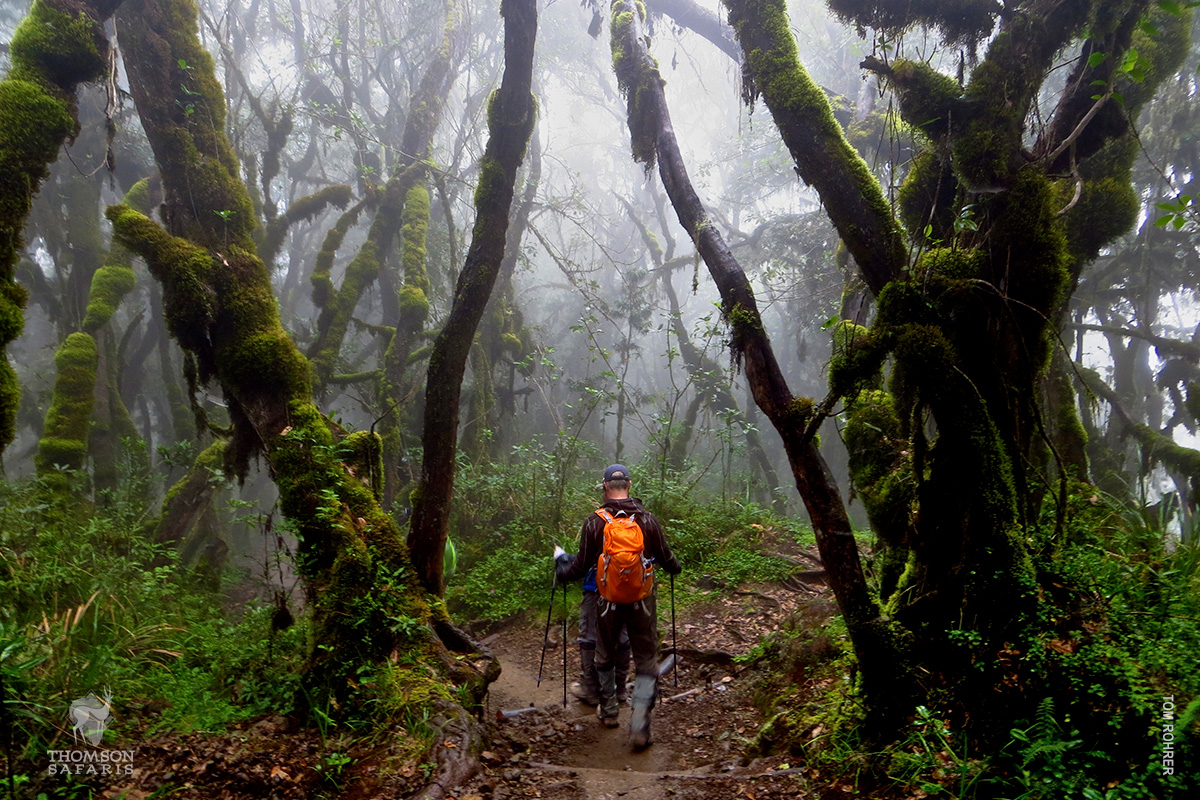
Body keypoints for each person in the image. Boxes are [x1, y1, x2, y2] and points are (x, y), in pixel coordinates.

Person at [555, 464, 681, 749]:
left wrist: (561, 572)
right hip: (642, 602)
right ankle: (638, 726)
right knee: (646, 659)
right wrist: (675, 568)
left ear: (604, 487)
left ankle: (610, 712)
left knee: (604, 653)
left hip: (607, 601)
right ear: (630, 484)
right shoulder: (648, 520)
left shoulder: (594, 522)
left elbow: (580, 566)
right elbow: (666, 558)